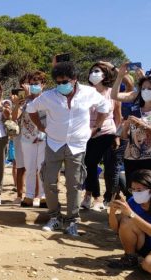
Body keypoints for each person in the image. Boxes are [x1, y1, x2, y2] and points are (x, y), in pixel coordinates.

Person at [27, 61, 110, 236]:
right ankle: (55, 217)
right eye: (57, 82)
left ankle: (73, 220)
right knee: (49, 181)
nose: (61, 85)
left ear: (74, 79)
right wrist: (42, 127)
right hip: (54, 143)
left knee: (74, 184)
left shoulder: (89, 93)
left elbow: (105, 107)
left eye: (64, 81)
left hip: (78, 145)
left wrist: (96, 127)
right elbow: (31, 109)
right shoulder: (48, 96)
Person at [112, 66, 151, 179]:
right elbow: (124, 137)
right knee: (132, 192)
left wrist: (141, 124)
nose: (145, 91)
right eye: (143, 88)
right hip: (130, 158)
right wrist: (126, 126)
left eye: (150, 89)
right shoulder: (135, 110)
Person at [82, 62, 121, 211]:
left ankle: (97, 198)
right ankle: (88, 195)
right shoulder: (86, 92)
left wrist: (117, 135)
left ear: (105, 75)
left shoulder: (112, 93)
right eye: (91, 71)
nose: (93, 73)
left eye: (97, 71)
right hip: (88, 132)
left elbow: (118, 116)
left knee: (91, 163)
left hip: (106, 132)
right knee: (88, 165)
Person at [12, 71, 47, 208]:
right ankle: (29, 196)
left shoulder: (47, 98)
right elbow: (15, 117)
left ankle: (43, 196)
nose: (33, 87)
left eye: (36, 84)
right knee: (30, 167)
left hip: (43, 137)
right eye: (31, 84)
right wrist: (17, 103)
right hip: (27, 138)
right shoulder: (24, 100)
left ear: (43, 85)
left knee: (42, 167)